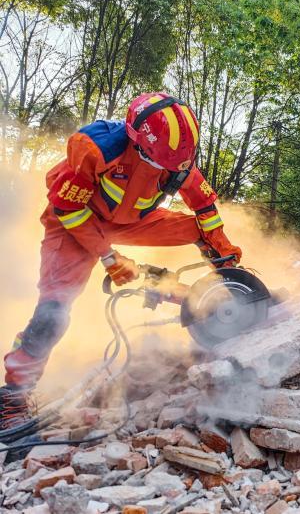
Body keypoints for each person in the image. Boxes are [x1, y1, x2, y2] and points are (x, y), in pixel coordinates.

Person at [0, 92, 242, 429]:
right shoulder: (95, 149)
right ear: (138, 142)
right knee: (54, 310)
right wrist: (109, 257)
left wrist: (223, 251)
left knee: (197, 228)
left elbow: (202, 204)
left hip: (128, 220)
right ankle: (11, 398)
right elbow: (67, 209)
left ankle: (224, 296)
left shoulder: (176, 156)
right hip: (74, 222)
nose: (174, 172)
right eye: (165, 165)